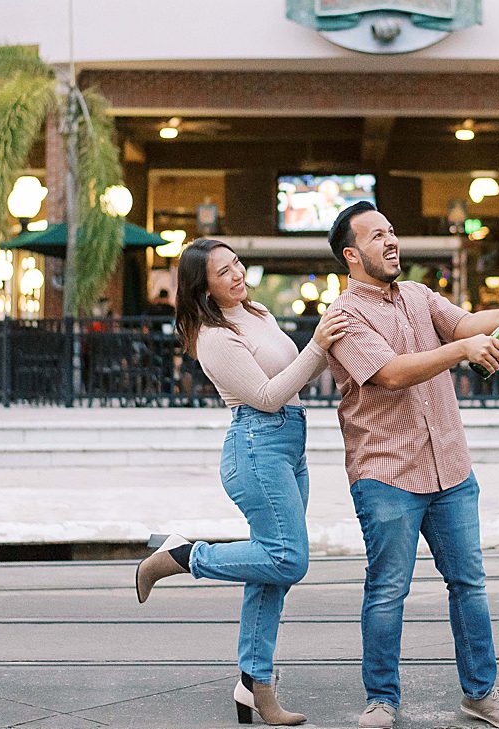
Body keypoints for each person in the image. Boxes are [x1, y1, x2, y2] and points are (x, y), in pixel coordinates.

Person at [323, 202, 499, 729]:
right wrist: (463, 349)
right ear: (352, 255)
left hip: (450, 467)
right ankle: (381, 700)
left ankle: (482, 694)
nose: (392, 241)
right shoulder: (343, 317)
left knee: (468, 582)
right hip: (387, 473)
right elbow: (393, 373)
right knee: (387, 589)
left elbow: (465, 323)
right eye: (378, 236)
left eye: (392, 231)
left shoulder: (419, 295)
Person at [135, 239, 350, 727]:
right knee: (288, 559)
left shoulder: (256, 313)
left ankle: (255, 685)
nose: (236, 274)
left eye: (236, 264)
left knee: (270, 575)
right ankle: (183, 556)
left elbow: (298, 372)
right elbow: (268, 396)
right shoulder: (214, 336)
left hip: (289, 446)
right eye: (222, 272)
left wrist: (332, 344)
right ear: (203, 288)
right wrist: (318, 343)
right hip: (256, 448)